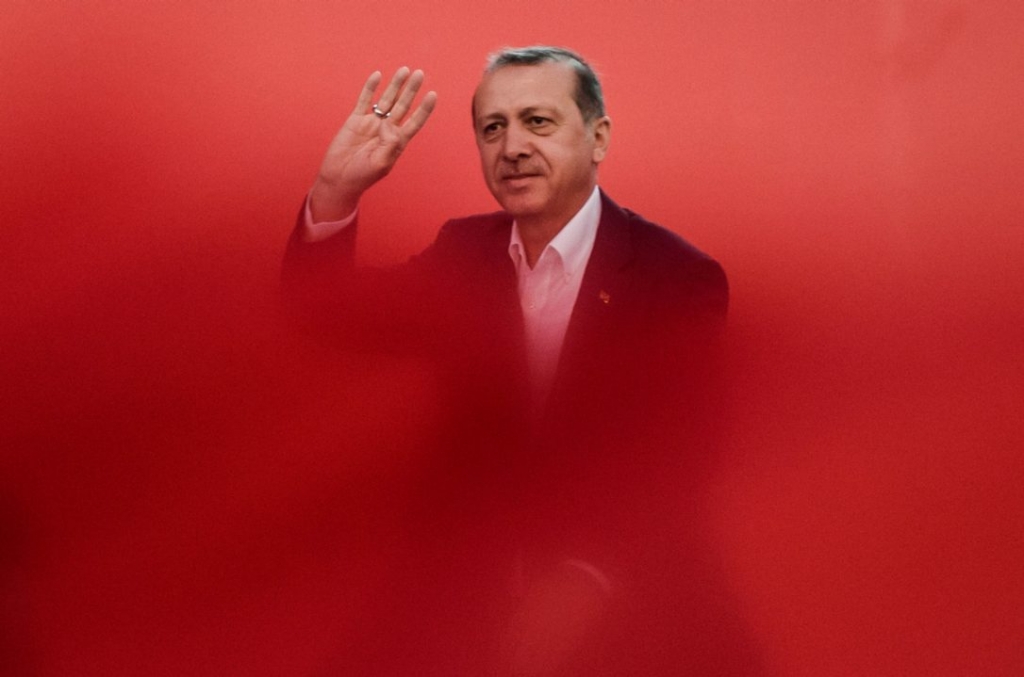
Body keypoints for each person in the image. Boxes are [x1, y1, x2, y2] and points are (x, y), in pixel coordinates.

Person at [284, 46, 760, 676]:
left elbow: (680, 452)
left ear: (598, 138)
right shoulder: (465, 253)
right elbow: (329, 312)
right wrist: (335, 190)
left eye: (538, 122)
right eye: (493, 127)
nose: (511, 147)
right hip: (468, 585)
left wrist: (585, 576)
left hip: (623, 586)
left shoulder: (676, 276)